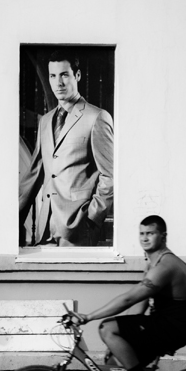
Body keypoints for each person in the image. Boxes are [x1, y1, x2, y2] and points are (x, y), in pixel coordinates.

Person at [72, 215, 186, 371]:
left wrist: (88, 316)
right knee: (116, 363)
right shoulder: (154, 263)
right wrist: (128, 333)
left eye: (150, 233)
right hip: (163, 326)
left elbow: (129, 298)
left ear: (163, 236)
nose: (145, 238)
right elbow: (145, 298)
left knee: (107, 328)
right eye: (142, 233)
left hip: (171, 330)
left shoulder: (166, 267)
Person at [18, 51, 114, 246]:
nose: (58, 83)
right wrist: (12, 219)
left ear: (77, 76)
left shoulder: (97, 117)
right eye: (53, 76)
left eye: (64, 75)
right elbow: (34, 174)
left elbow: (110, 176)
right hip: (45, 229)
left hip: (78, 229)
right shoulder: (45, 121)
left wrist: (91, 220)